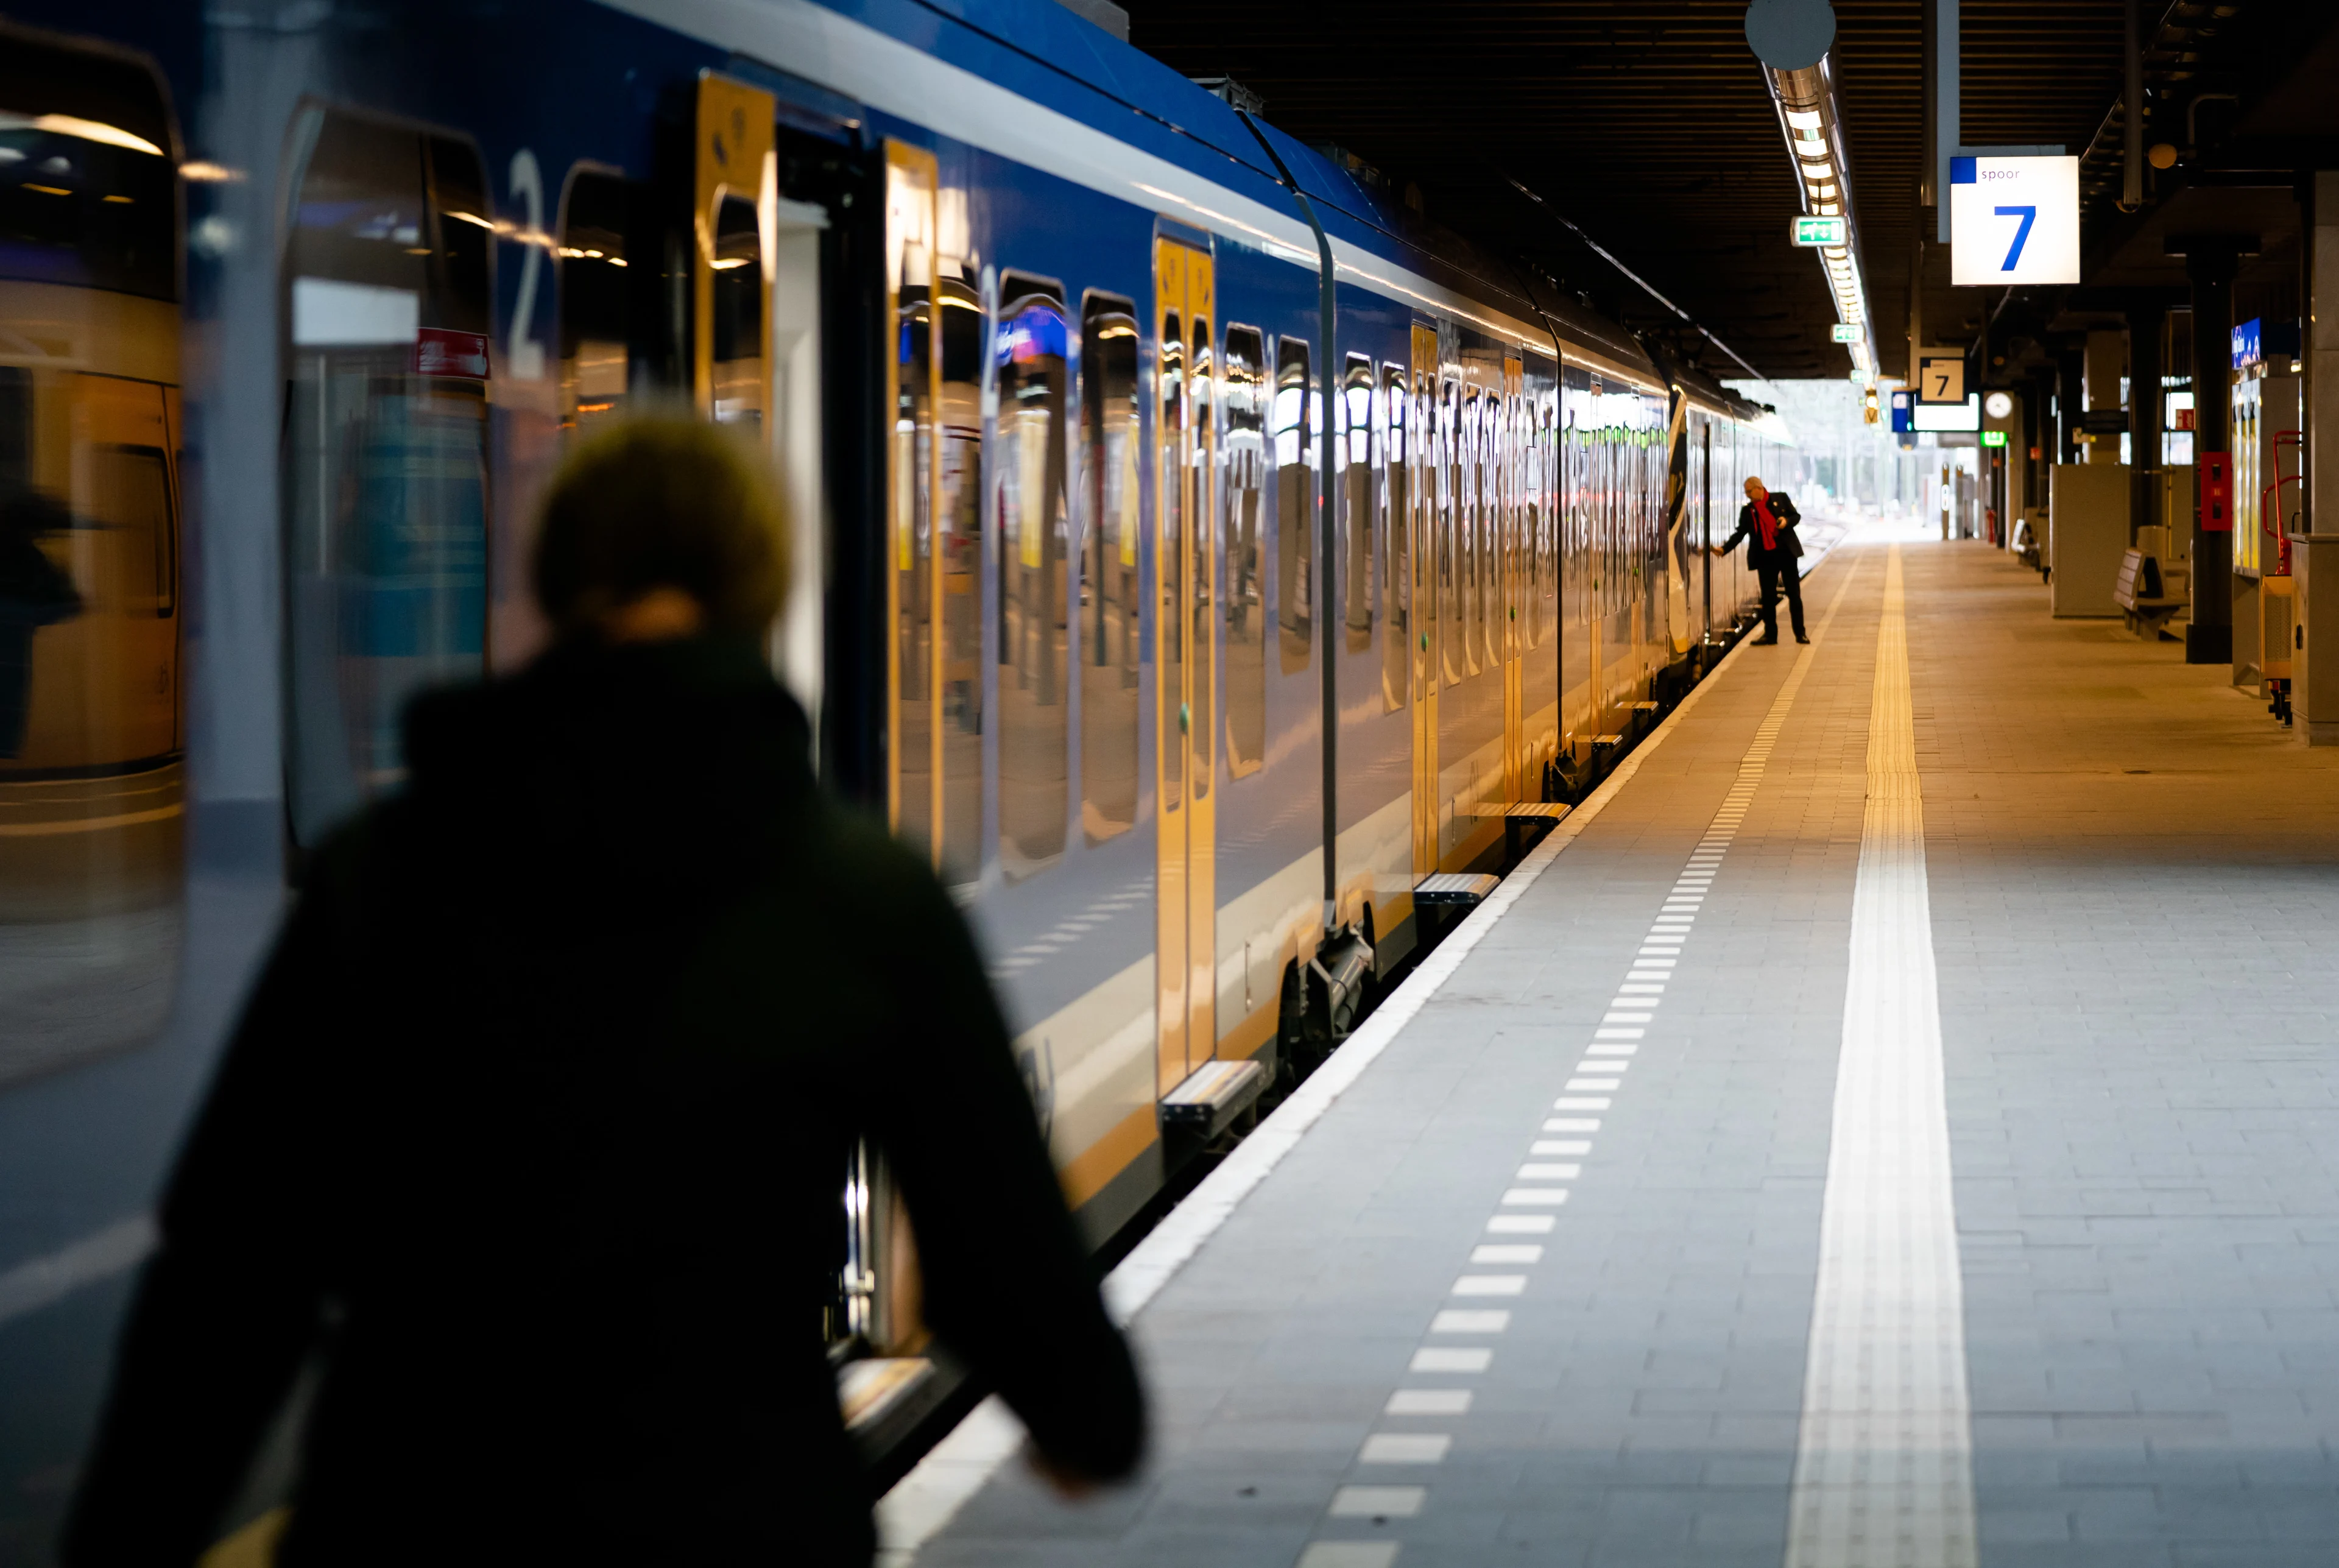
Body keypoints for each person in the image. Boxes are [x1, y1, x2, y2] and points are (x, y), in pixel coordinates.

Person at [61, 416, 1145, 1566]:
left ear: (557, 580)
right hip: (740, 1523)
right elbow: (995, 1244)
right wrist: (1083, 1417)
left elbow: (234, 1276)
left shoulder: (381, 875)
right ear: (763, 590)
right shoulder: (864, 898)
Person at [1712, 475, 1807, 645]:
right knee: (1768, 598)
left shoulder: (1780, 498)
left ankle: (1801, 634)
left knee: (1794, 595)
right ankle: (1770, 635)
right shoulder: (1748, 511)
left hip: (1786, 555)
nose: (1748, 495)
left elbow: (1796, 517)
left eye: (1749, 491)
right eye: (1746, 492)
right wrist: (1724, 549)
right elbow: (1740, 533)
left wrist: (1786, 521)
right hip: (1765, 558)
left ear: (1759, 488)